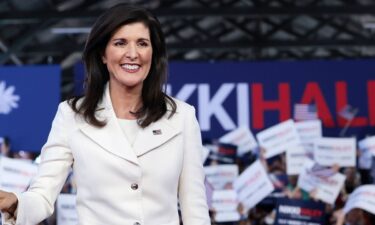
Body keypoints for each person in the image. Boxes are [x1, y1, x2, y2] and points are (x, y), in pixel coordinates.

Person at [0, 4, 210, 225]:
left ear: (153, 52)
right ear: (102, 54)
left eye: (142, 43)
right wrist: (17, 203)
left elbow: (195, 208)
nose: (132, 53)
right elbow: (42, 195)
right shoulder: (71, 115)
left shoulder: (182, 117)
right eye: (120, 43)